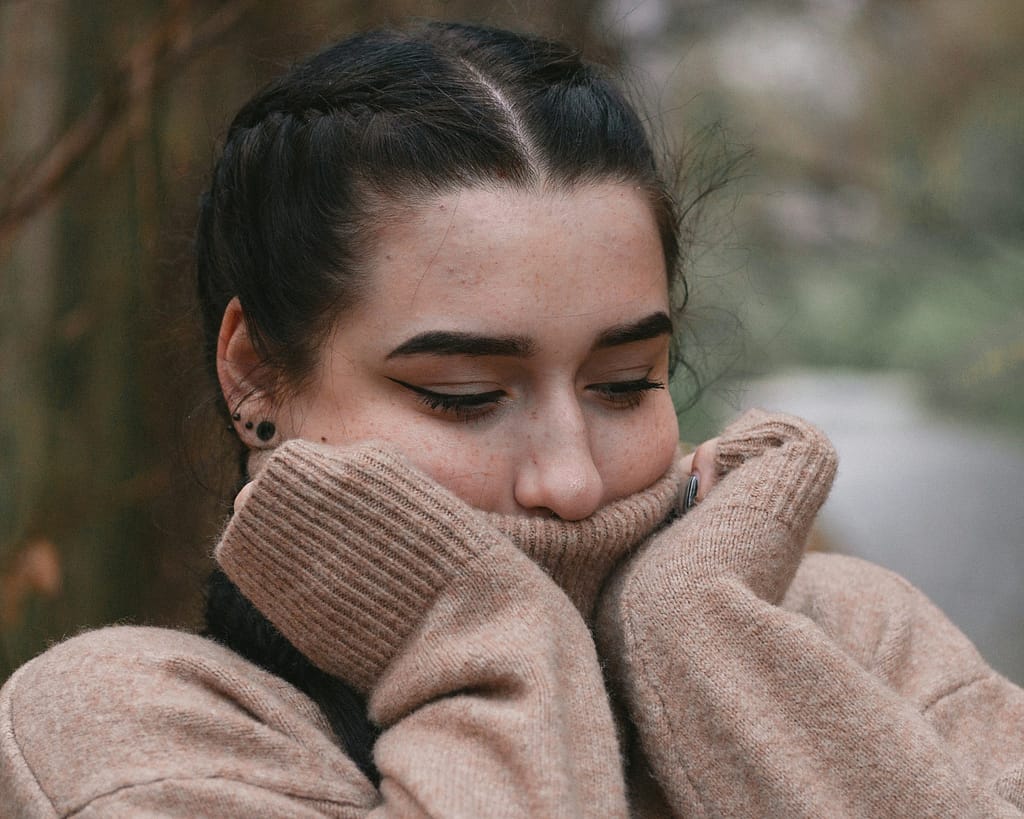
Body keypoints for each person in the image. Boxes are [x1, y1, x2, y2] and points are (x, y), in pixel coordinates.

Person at [1, 21, 1022, 818]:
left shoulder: (852, 636)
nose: (572, 481)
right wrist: (481, 639)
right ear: (256, 377)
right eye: (464, 397)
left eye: (624, 383)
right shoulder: (125, 727)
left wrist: (707, 642)